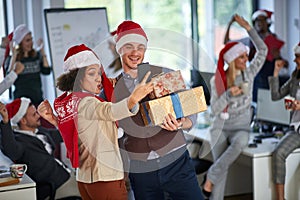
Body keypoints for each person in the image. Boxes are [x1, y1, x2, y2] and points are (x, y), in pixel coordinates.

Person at [38, 44, 154, 200]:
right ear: (77, 77)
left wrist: (54, 120)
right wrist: (134, 98)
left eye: (99, 73)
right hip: (104, 178)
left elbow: (75, 132)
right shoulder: (88, 102)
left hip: (85, 178)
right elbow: (110, 111)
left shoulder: (70, 101)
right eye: (92, 73)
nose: (99, 78)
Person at [112, 20, 204, 200]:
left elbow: (191, 105)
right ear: (119, 49)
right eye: (128, 46)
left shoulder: (164, 73)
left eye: (140, 47)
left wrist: (182, 122)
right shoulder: (111, 88)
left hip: (176, 162)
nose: (135, 52)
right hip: (141, 170)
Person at [202, 14, 267, 199]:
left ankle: (211, 175)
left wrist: (248, 27)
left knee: (240, 143)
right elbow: (214, 109)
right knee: (222, 173)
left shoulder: (250, 73)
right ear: (232, 60)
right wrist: (230, 94)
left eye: (247, 56)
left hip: (241, 127)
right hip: (220, 128)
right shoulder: (218, 80)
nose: (246, 60)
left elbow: (263, 50)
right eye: (242, 57)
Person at [0, 97, 80, 200]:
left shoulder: (40, 131)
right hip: (56, 186)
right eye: (34, 114)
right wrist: (5, 121)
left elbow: (60, 134)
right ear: (23, 120)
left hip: (66, 174)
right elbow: (11, 150)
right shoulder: (20, 141)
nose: (39, 116)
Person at [224, 9, 286, 103]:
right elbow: (226, 42)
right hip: (256, 77)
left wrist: (277, 57)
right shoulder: (249, 40)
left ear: (267, 22)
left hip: (271, 77)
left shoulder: (275, 39)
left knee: (269, 103)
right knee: (258, 102)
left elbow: (286, 64)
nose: (260, 23)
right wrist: (230, 24)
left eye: (262, 20)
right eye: (258, 20)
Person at [268, 43, 300, 200]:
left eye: (298, 57)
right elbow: (276, 95)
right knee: (278, 153)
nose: (295, 60)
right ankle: (281, 199)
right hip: (296, 130)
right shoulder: (295, 78)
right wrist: (276, 72)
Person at [4, 24, 52, 106]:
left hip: (37, 101)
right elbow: (8, 79)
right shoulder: (12, 59)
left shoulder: (37, 55)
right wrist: (14, 56)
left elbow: (46, 71)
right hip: (20, 105)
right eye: (27, 40)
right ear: (20, 43)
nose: (31, 42)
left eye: (31, 39)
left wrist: (43, 51)